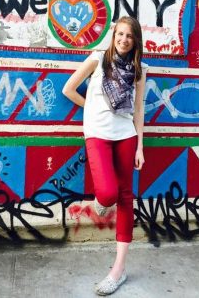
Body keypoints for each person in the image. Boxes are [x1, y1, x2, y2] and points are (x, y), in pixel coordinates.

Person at [62, 16, 147, 296]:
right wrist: (92, 107)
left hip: (126, 135)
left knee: (124, 197)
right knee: (108, 194)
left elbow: (137, 110)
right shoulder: (97, 60)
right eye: (119, 34)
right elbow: (69, 89)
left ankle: (118, 270)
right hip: (97, 133)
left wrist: (140, 147)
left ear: (135, 41)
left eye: (129, 36)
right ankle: (100, 204)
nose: (123, 40)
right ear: (113, 36)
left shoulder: (139, 70)